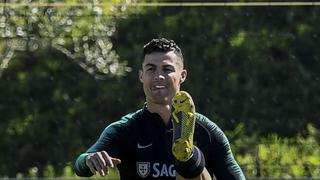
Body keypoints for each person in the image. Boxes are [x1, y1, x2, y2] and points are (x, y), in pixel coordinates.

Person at [74, 38, 245, 180]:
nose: (158, 76)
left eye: (167, 69)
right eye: (151, 69)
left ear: (182, 76)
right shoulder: (126, 129)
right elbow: (80, 166)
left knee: (191, 165)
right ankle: (187, 158)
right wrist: (90, 159)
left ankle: (187, 156)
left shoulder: (206, 130)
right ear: (141, 76)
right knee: (190, 163)